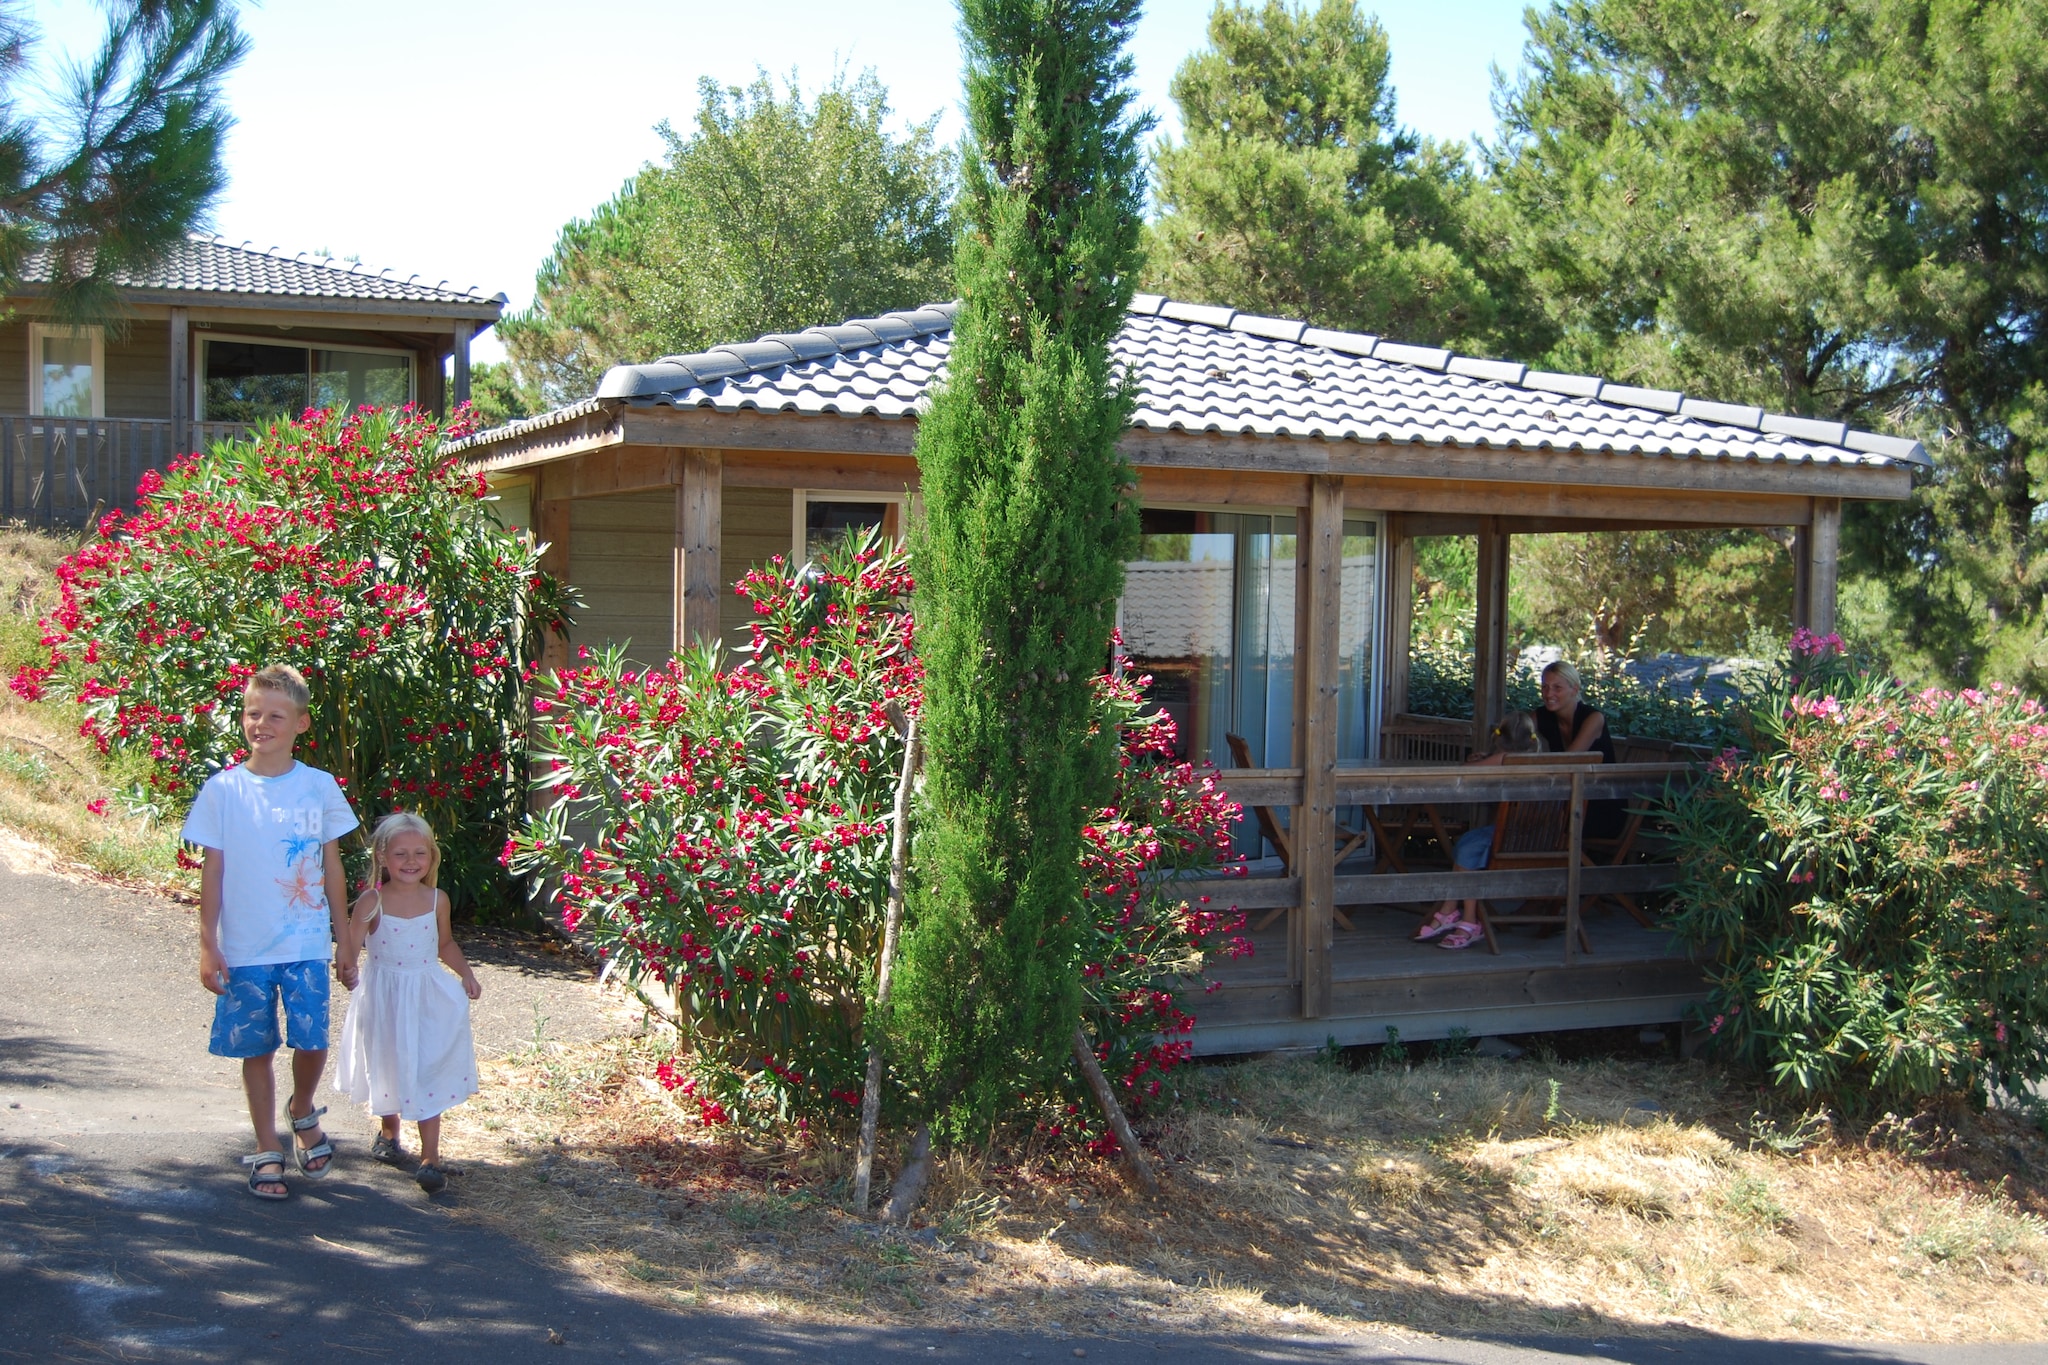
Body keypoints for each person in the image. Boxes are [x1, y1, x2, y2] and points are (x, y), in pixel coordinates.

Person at [186, 663, 360, 1201]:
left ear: (301, 724)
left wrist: (346, 936)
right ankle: (268, 1148)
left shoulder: (319, 787)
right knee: (255, 1049)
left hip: (305, 942)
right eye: (252, 713)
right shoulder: (223, 791)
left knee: (311, 1040)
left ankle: (302, 1107)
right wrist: (208, 943)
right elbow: (211, 871)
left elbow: (332, 867)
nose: (261, 724)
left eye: (275, 715)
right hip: (244, 948)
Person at [336, 811, 480, 1195]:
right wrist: (346, 968)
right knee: (387, 1061)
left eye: (420, 853)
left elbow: (444, 943)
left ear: (432, 857)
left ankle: (430, 1157)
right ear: (382, 856)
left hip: (425, 994)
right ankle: (389, 1132)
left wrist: (465, 973)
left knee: (425, 1065)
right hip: (383, 995)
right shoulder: (371, 901)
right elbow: (350, 943)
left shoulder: (438, 900)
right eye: (401, 854)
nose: (411, 861)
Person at [1411, 710, 1545, 951]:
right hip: (1542, 840)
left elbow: (1461, 772)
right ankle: (1452, 911)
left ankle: (1467, 920)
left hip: (1510, 840)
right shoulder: (1542, 760)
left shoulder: (1504, 759)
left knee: (1468, 845)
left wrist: (1483, 760)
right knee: (1471, 842)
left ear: (1500, 738)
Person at [1533, 660, 1625, 840]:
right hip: (1568, 802)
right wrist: (1491, 754)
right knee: (1520, 818)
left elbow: (1568, 761)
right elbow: (1515, 734)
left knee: (1526, 822)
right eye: (1545, 687)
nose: (1548, 693)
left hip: (1600, 807)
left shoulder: (1593, 718)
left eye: (1557, 688)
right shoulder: (1542, 715)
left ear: (1574, 690)